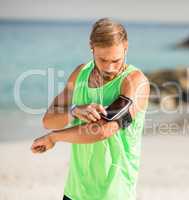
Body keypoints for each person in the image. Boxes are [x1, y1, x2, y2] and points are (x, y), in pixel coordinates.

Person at [31, 18, 150, 200]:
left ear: (126, 46)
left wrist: (54, 137)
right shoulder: (80, 73)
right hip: (74, 192)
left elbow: (104, 129)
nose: (110, 68)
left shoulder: (134, 82)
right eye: (102, 59)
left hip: (114, 194)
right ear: (91, 47)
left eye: (116, 60)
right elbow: (48, 120)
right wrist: (73, 110)